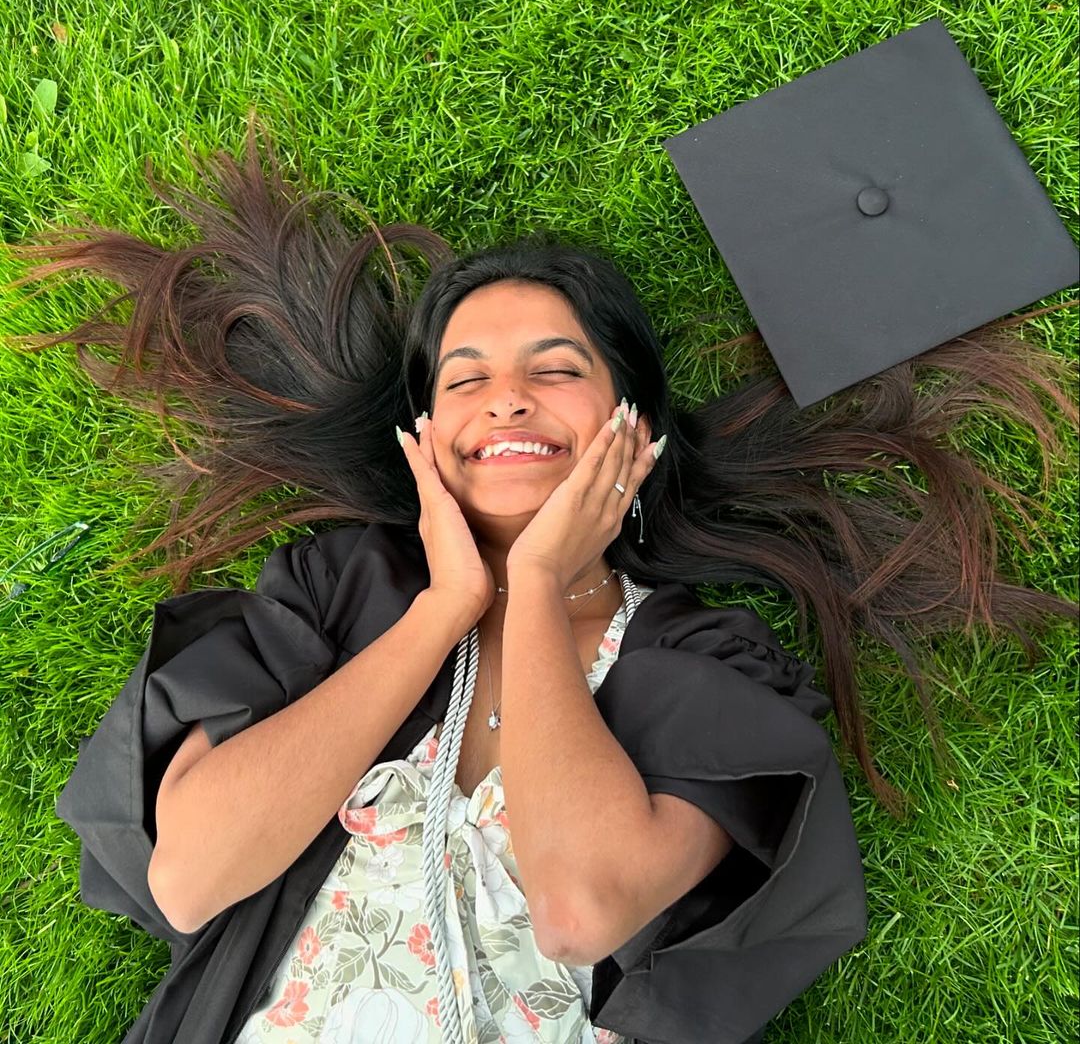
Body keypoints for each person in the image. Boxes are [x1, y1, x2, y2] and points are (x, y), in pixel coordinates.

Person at [4, 120, 1076, 1044]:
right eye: (465, 378)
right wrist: (445, 610)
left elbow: (580, 910)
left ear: (635, 428)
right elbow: (191, 876)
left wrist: (543, 579)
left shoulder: (704, 663)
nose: (507, 400)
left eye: (557, 370)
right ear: (426, 433)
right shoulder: (331, 594)